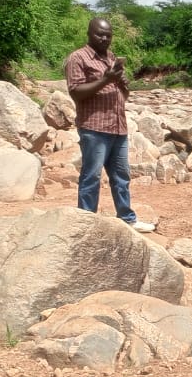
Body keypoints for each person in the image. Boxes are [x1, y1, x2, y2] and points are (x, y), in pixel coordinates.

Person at [64, 16, 155, 233]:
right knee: (91, 177)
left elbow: (123, 96)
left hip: (118, 127)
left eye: (108, 35)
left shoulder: (111, 58)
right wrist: (106, 79)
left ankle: (127, 218)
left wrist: (122, 84)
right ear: (89, 34)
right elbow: (76, 92)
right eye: (100, 34)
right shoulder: (78, 58)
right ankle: (86, 222)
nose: (105, 38)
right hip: (94, 128)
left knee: (121, 177)